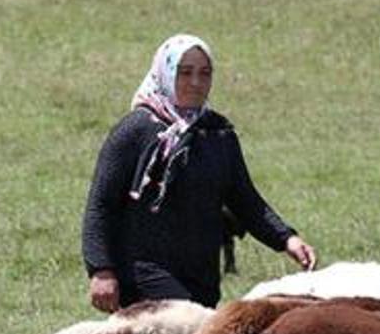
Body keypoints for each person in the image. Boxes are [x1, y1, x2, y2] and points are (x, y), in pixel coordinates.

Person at [82, 34, 316, 312]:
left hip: (201, 275)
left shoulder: (218, 133)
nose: (196, 82)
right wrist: (101, 270)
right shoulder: (136, 130)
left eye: (204, 73)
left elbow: (245, 200)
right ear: (165, 74)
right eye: (185, 72)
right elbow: (101, 204)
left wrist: (286, 238)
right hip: (143, 271)